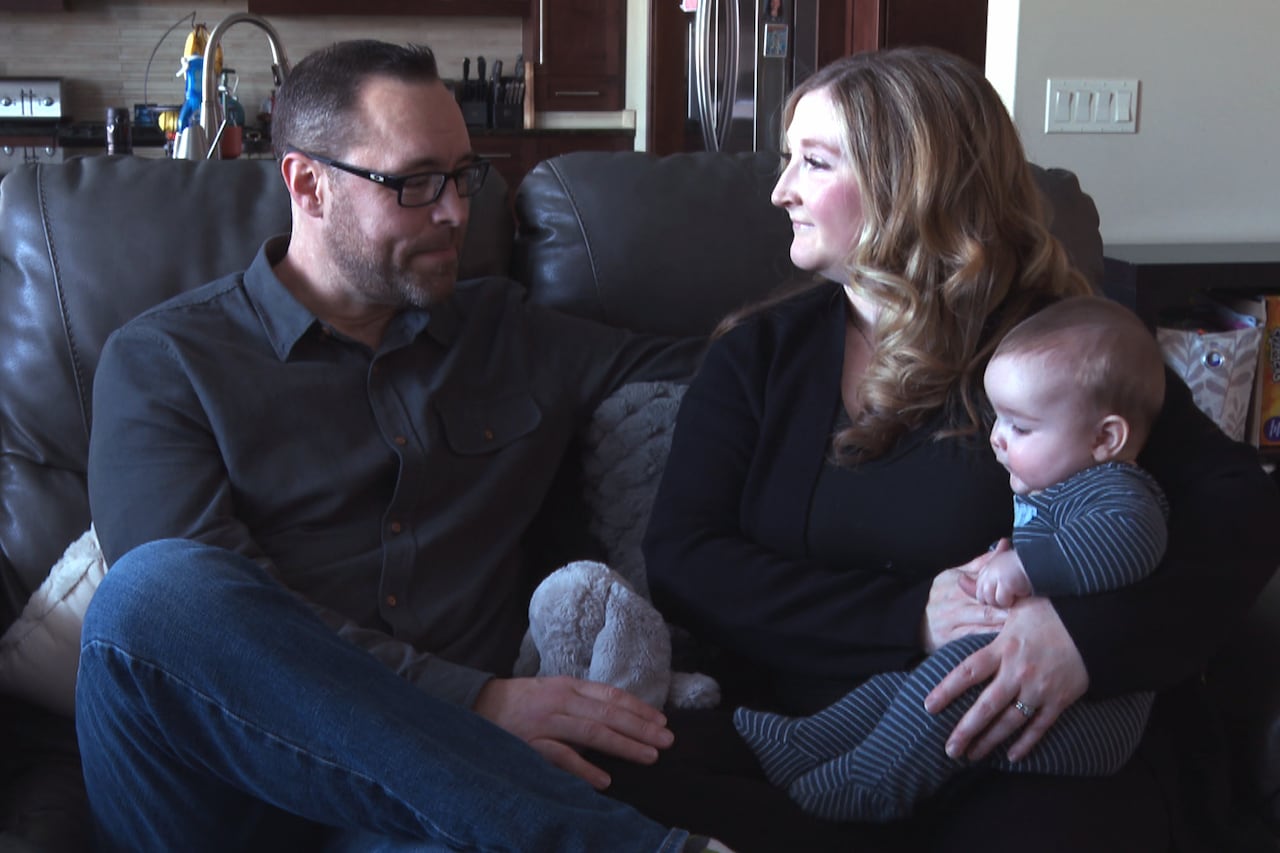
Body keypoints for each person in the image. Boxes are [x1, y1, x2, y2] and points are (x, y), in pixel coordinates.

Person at [600, 47, 1279, 852]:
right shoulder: (759, 355)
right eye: (789, 160)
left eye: (814, 162)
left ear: (908, 183)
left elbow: (1241, 504)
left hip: (1029, 743)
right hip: (814, 735)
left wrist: (1085, 640)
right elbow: (687, 559)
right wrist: (911, 617)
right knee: (596, 779)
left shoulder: (1056, 350)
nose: (780, 190)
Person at [78, 39, 729, 853]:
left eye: (463, 175)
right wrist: (474, 700)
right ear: (308, 185)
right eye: (415, 183)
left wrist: (880, 290)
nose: (456, 210)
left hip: (438, 811)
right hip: (221, 800)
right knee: (152, 593)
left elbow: (732, 374)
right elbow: (200, 633)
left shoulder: (508, 332)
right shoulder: (164, 362)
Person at [734, 295, 1170, 822]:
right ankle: (809, 740)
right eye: (999, 421)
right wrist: (999, 560)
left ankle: (864, 787)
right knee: (906, 685)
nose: (998, 439)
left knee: (946, 695)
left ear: (1106, 437)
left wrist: (1025, 570)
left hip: (1089, 718)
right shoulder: (1064, 484)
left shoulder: (1117, 490)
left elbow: (1126, 545)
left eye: (1021, 428)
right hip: (1029, 682)